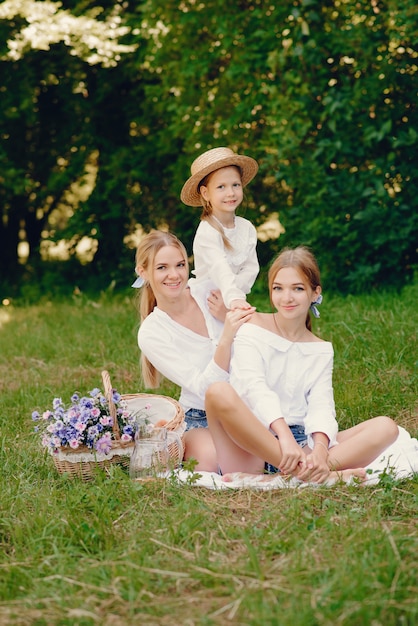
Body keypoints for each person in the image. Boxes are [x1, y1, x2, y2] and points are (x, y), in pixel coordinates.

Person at [205, 246, 400, 484]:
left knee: (386, 428)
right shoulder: (251, 325)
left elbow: (322, 403)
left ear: (315, 293)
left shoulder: (320, 349)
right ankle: (309, 476)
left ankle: (301, 473)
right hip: (252, 446)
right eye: (278, 288)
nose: (286, 298)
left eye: (297, 288)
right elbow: (254, 387)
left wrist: (319, 449)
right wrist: (283, 438)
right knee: (218, 392)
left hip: (301, 446)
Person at [133, 230, 255, 472]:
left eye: (180, 265)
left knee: (296, 448)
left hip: (251, 402)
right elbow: (204, 388)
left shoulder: (208, 291)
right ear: (143, 272)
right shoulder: (152, 332)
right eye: (162, 268)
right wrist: (227, 336)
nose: (174, 275)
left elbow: (260, 336)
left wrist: (229, 315)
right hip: (201, 417)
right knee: (214, 464)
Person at [180, 146, 259, 311]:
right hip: (207, 301)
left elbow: (251, 268)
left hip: (232, 298)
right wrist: (233, 298)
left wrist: (235, 295)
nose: (230, 192)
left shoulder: (247, 228)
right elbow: (219, 267)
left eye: (235, 185)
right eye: (221, 187)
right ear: (205, 193)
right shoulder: (207, 231)